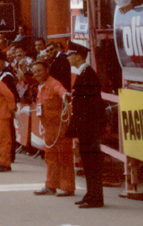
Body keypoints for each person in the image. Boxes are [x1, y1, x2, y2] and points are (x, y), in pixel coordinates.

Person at [65, 41, 106, 209]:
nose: (68, 57)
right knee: (88, 162)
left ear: (79, 56)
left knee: (91, 162)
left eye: (71, 54)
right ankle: (91, 194)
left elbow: (92, 105)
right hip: (86, 127)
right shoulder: (84, 73)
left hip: (89, 127)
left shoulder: (88, 74)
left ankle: (96, 197)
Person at [32, 61, 74, 197]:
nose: (37, 74)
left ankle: (67, 187)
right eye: (35, 72)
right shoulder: (40, 87)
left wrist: (65, 95)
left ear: (47, 70)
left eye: (39, 70)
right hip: (49, 129)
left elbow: (60, 90)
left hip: (60, 128)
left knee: (64, 157)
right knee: (50, 158)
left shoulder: (53, 83)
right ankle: (51, 185)